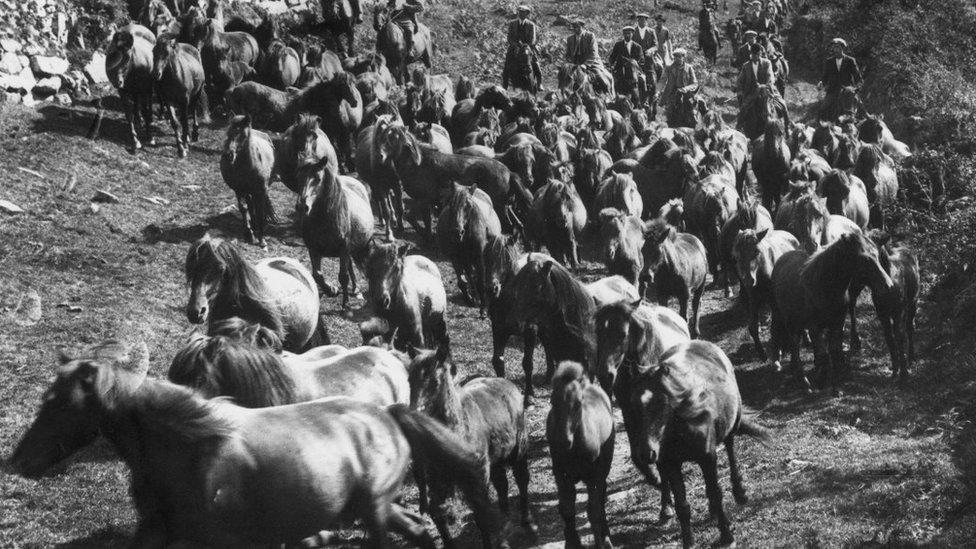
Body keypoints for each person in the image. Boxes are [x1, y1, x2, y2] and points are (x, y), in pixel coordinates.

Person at [819, 37, 862, 118]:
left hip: (847, 91)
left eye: (838, 47)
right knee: (823, 108)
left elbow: (858, 77)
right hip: (832, 90)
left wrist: (856, 88)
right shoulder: (829, 61)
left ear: (842, 48)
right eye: (834, 48)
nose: (835, 50)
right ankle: (821, 126)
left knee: (859, 108)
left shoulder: (850, 60)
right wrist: (821, 82)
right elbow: (825, 76)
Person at [504, 5, 541, 88]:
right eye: (520, 12)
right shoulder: (512, 23)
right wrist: (515, 44)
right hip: (515, 46)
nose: (521, 14)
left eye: (523, 13)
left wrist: (525, 45)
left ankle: (539, 81)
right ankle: (505, 83)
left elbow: (533, 39)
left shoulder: (531, 25)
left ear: (527, 14)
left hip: (527, 47)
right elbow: (509, 37)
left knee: (535, 61)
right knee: (507, 63)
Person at [658, 48, 697, 126]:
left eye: (679, 56)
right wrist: (658, 91)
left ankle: (694, 124)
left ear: (683, 57)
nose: (677, 58)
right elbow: (662, 81)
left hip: (686, 93)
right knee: (665, 112)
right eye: (675, 56)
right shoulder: (669, 68)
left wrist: (685, 89)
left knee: (691, 111)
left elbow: (694, 83)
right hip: (672, 93)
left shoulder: (689, 68)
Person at [736, 42, 775, 107]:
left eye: (757, 54)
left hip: (765, 91)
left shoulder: (767, 63)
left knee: (780, 105)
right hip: (750, 91)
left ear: (760, 53)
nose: (756, 56)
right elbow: (740, 79)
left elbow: (770, 75)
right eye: (754, 54)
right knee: (743, 110)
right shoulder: (746, 66)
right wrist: (738, 88)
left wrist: (765, 86)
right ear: (751, 54)